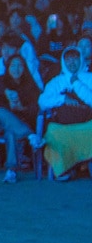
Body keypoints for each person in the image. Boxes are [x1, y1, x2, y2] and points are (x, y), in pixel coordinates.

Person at [0, 54, 43, 183]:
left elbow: (36, 106)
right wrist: (6, 92)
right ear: (8, 67)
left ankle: (11, 171)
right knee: (0, 111)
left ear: (24, 68)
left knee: (11, 132)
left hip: (15, 125)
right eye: (13, 65)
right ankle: (30, 135)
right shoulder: (1, 80)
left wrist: (22, 108)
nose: (16, 69)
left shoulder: (29, 85)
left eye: (20, 65)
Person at [38, 47, 92, 181]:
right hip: (63, 124)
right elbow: (42, 101)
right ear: (63, 61)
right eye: (68, 59)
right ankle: (64, 169)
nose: (72, 62)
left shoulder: (89, 78)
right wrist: (62, 99)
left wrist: (76, 83)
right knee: (53, 132)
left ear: (81, 60)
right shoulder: (57, 81)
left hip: (87, 123)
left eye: (75, 59)